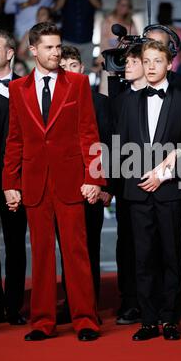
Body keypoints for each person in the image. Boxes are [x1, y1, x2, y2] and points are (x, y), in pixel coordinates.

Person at [2, 22, 105, 342]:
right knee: (42, 255)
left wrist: (95, 177)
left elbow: (89, 133)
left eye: (58, 46)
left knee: (77, 253)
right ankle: (42, 321)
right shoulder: (18, 89)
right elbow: (14, 139)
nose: (56, 52)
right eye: (48, 47)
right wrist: (10, 182)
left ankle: (85, 319)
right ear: (32, 50)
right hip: (35, 182)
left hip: (71, 181)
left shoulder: (77, 83)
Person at [117, 40, 181, 341]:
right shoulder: (127, 100)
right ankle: (148, 320)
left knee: (172, 256)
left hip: (171, 191)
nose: (150, 67)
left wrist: (163, 173)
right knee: (143, 257)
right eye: (146, 61)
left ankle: (171, 319)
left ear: (169, 64)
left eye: (156, 61)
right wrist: (126, 181)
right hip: (137, 191)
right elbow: (119, 147)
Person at [57, 45, 113, 323]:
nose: (68, 70)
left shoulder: (100, 103)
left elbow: (108, 147)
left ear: (83, 69)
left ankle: (88, 306)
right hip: (60, 189)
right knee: (66, 248)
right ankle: (69, 302)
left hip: (93, 187)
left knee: (89, 247)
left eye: (73, 65)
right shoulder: (49, 104)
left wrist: (106, 187)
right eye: (63, 66)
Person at [0, 32, 27, 326]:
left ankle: (15, 306)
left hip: (18, 181)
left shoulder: (26, 88)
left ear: (10, 53)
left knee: (16, 246)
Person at [111, 44, 146, 325]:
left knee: (161, 244)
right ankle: (130, 301)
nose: (127, 64)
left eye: (135, 60)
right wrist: (110, 185)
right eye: (127, 60)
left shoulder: (174, 96)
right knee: (128, 244)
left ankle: (161, 301)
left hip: (164, 181)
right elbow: (114, 143)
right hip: (126, 183)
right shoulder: (120, 99)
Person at [54, 0, 102, 72]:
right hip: (68, 39)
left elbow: (98, 5)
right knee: (66, 71)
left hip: (87, 40)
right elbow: (57, 7)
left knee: (85, 73)